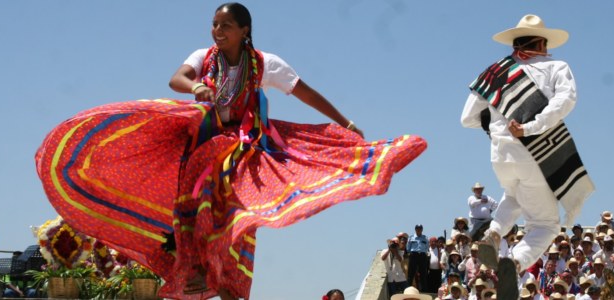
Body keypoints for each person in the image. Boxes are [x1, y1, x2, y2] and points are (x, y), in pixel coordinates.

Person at [35, 3, 427, 299]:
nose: (217, 30)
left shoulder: (264, 64)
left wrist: (344, 122)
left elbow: (305, 93)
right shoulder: (202, 58)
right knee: (194, 207)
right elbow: (177, 78)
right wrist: (197, 88)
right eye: (214, 24)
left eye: (225, 25)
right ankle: (201, 269)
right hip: (202, 144)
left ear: (244, 30)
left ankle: (220, 278)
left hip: (246, 151)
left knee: (234, 217)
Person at [461, 13, 594, 300]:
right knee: (546, 225)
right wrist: (529, 127)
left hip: (500, 156)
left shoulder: (494, 73)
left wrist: (498, 127)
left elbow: (467, 119)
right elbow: (566, 100)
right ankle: (515, 262)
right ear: (542, 42)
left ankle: (494, 233)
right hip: (534, 152)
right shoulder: (556, 66)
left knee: (516, 195)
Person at [407, 224, 430, 291]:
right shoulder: (411, 237)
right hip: (414, 255)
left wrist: (423, 252)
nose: (418, 230)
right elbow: (408, 247)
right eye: (417, 228)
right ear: (415, 229)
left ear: (422, 230)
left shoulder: (425, 238)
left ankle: (424, 291)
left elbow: (427, 247)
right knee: (411, 273)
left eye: (420, 228)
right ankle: (408, 290)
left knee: (423, 274)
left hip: (422, 255)